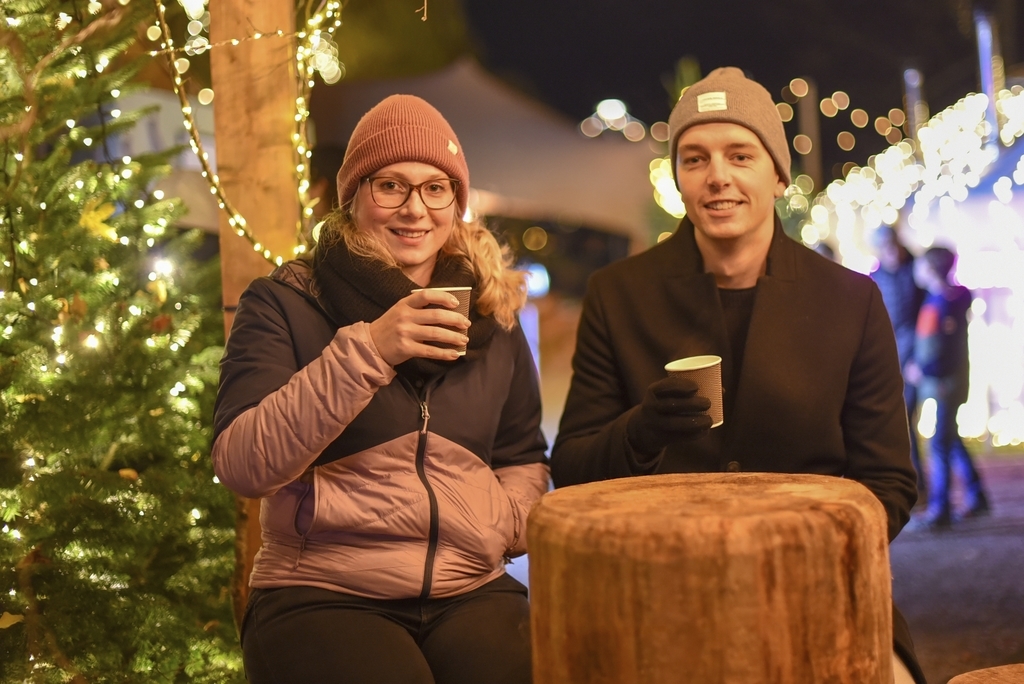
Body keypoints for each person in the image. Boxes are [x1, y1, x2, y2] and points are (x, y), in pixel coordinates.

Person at [550, 67, 925, 684]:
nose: (717, 176)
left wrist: (810, 560)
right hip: (658, 587)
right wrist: (640, 432)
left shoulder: (848, 300)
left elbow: (886, 481)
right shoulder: (619, 296)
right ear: (679, 179)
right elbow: (572, 468)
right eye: (695, 159)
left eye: (740, 155)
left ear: (777, 175)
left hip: (817, 580)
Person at [212, 94, 549, 684]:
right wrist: (371, 349)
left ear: (457, 201)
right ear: (353, 197)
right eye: (390, 185)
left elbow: (522, 454)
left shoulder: (494, 314)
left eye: (436, 187)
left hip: (468, 584)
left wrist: (503, 525)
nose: (415, 209)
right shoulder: (286, 302)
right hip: (322, 588)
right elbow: (242, 462)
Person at [904, 246, 989, 530]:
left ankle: (940, 510)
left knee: (939, 444)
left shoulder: (945, 302)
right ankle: (977, 496)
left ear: (930, 269)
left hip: (944, 383)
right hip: (942, 381)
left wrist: (925, 369)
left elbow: (945, 349)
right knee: (950, 440)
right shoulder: (938, 300)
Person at [872, 226, 927, 499]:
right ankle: (916, 486)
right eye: (885, 247)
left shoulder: (915, 272)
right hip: (891, 361)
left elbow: (923, 318)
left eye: (893, 245)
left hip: (915, 360)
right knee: (901, 425)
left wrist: (917, 358)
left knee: (908, 422)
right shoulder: (877, 277)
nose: (891, 251)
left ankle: (917, 485)